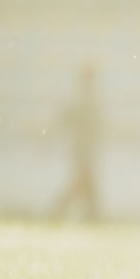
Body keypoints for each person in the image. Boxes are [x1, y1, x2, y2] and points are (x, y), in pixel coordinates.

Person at [52, 62, 102, 222]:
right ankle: (60, 210)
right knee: (83, 183)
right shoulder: (84, 99)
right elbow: (65, 120)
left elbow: (64, 120)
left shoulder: (86, 98)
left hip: (85, 148)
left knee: (86, 184)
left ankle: (90, 215)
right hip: (82, 149)